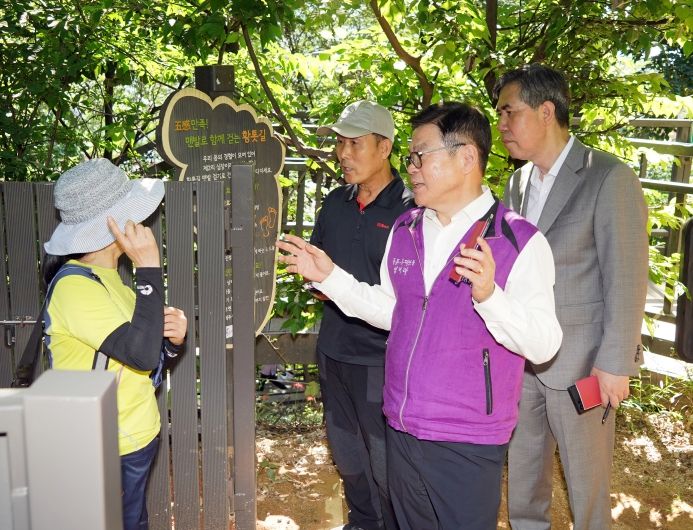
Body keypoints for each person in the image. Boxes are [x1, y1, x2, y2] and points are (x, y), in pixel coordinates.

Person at [278, 102, 563, 530]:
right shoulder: (406, 228)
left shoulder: (517, 240)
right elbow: (393, 311)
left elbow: (544, 344)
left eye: (421, 155)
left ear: (466, 158)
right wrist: (330, 277)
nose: (411, 167)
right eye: (410, 157)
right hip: (400, 425)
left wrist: (490, 297)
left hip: (466, 438)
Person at [494, 64, 648, 530]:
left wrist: (615, 363)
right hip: (524, 360)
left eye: (509, 112)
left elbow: (627, 276)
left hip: (584, 365)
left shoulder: (607, 177)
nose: (501, 124)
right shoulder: (517, 183)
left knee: (587, 490)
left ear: (546, 112)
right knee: (524, 483)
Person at [42, 158, 187, 530]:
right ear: (110, 223)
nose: (138, 222)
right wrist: (149, 268)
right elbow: (139, 356)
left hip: (133, 437)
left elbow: (143, 362)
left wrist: (173, 342)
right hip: (105, 446)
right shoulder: (75, 288)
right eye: (129, 213)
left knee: (133, 521)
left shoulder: (110, 279)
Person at [312, 100, 414, 530]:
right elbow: (319, 269)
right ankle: (362, 522)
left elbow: (413, 295)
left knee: (384, 459)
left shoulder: (410, 211)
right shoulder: (336, 203)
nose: (343, 153)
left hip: (381, 357)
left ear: (385, 147)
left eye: (355, 144)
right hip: (333, 349)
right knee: (347, 451)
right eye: (340, 143)